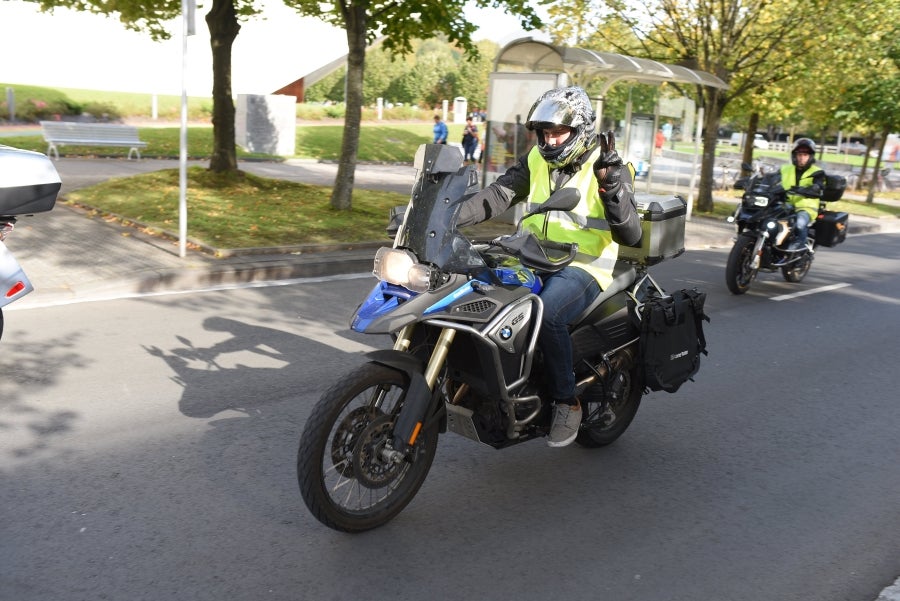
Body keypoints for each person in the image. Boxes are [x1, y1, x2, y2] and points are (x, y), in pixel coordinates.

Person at [456, 86, 642, 447]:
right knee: (475, 294)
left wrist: (612, 189)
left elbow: (631, 234)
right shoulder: (536, 159)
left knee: (547, 313)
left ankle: (565, 401)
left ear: (580, 130)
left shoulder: (608, 166)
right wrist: (450, 215)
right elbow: (499, 195)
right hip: (529, 256)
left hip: (585, 265)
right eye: (544, 133)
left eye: (559, 132)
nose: (550, 140)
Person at [780, 138, 825, 251]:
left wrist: (814, 188)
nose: (802, 157)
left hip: (806, 207)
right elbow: (771, 179)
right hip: (785, 204)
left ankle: (799, 245)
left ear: (811, 156)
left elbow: (819, 186)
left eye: (805, 155)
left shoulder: (817, 172)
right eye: (799, 154)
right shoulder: (785, 169)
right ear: (794, 155)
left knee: (800, 224)